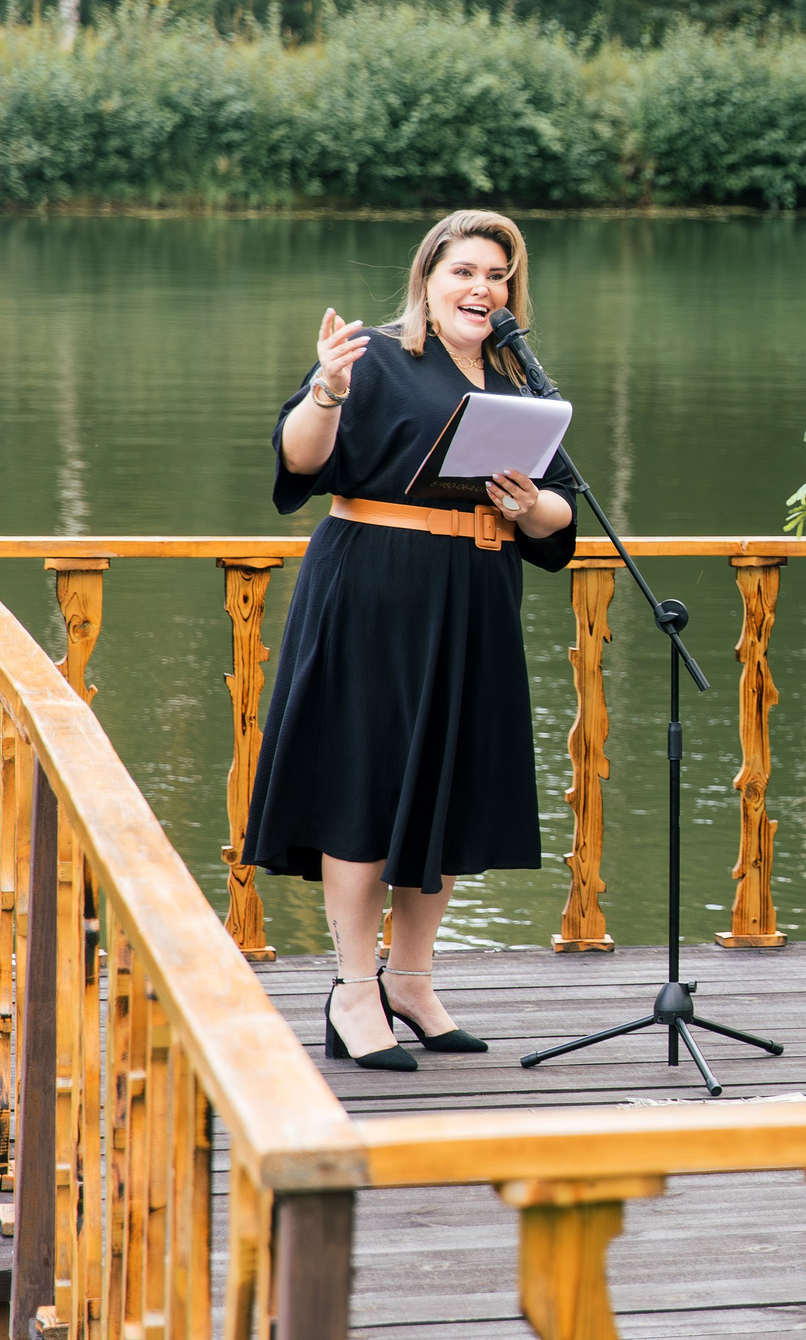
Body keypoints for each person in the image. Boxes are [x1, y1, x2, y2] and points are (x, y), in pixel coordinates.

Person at [244, 210, 578, 1068]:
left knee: (447, 782)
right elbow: (300, 460)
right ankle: (354, 988)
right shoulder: (377, 356)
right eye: (465, 270)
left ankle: (412, 978)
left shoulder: (518, 375)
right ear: (428, 276)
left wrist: (524, 502)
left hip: (474, 599)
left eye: (498, 275)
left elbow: (562, 514)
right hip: (373, 590)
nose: (483, 289)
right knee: (365, 780)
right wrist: (324, 391)